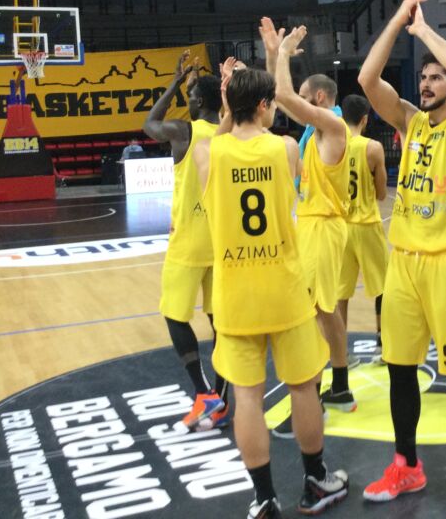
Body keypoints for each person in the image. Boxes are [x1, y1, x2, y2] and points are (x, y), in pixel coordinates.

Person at [358, 0, 446, 501]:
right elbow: (367, 80)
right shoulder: (411, 124)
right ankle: (406, 465)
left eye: (434, 75)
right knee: (399, 369)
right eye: (423, 75)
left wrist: (424, 30)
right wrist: (396, 20)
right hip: (405, 264)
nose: (428, 80)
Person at [193, 66, 348, 518]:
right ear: (265, 106)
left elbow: (221, 141)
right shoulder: (283, 149)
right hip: (283, 287)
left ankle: (263, 498)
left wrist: (228, 107)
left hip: (235, 294)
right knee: (303, 388)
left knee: (246, 398)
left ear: (229, 105)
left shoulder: (208, 153)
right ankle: (315, 480)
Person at [260, 19, 356, 425]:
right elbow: (277, 97)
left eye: (303, 97)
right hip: (315, 221)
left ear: (317, 96)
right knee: (324, 309)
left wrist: (282, 54)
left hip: (324, 223)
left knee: (316, 310)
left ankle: (317, 393)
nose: (294, 103)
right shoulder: (318, 126)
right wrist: (272, 54)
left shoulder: (331, 125)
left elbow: (281, 95)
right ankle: (340, 384)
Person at [143, 51, 229, 433]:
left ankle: (202, 391)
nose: (187, 101)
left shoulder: (185, 133)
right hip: (221, 240)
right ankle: (222, 395)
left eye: (191, 97)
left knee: (176, 315)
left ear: (199, 103)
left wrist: (174, 82)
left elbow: (150, 123)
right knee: (219, 320)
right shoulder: (229, 136)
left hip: (188, 243)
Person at [336, 94, 388, 365]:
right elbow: (381, 194)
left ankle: (340, 352)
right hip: (367, 224)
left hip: (341, 227)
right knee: (383, 289)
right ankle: (384, 346)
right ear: (365, 119)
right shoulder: (373, 148)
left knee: (340, 295)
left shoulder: (332, 146)